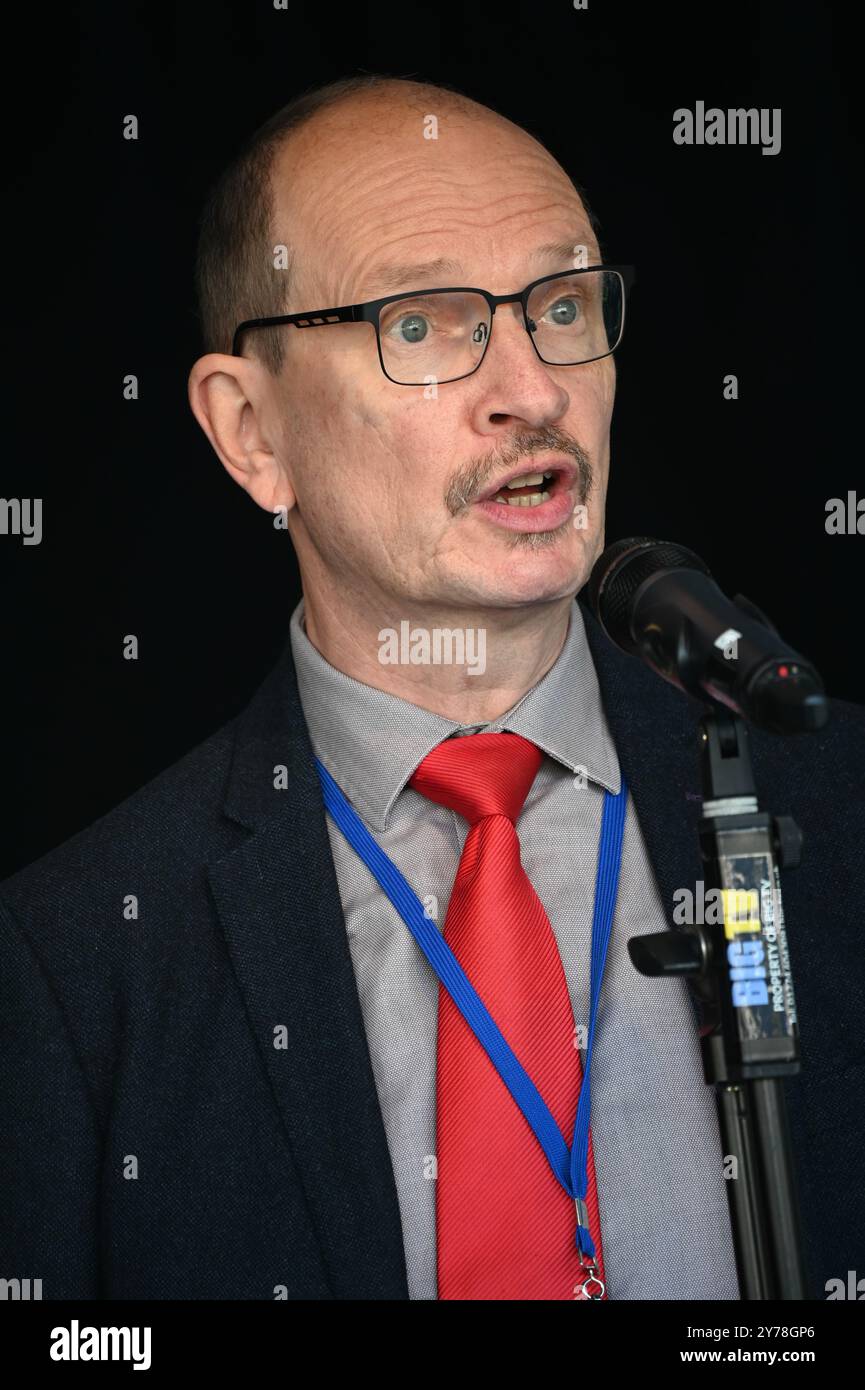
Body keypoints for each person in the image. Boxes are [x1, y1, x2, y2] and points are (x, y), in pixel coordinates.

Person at [2, 74, 862, 1302]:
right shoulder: (74, 959)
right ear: (252, 433)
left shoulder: (836, 805)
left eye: (560, 304)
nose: (535, 387)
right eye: (423, 324)